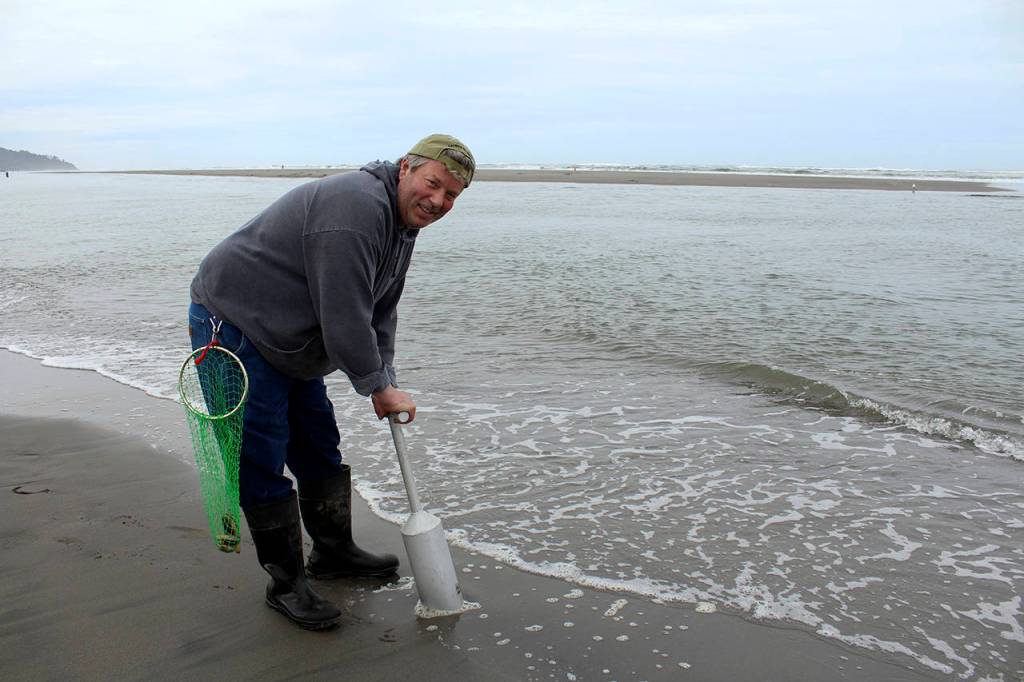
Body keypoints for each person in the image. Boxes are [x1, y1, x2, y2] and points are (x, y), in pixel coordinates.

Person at [188, 134, 474, 630]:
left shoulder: (400, 222)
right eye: (433, 184)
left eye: (452, 195)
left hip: (292, 335)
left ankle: (333, 551)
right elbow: (344, 314)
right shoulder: (356, 208)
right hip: (235, 324)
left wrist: (384, 377)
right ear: (406, 167)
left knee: (317, 440)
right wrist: (375, 386)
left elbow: (380, 310)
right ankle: (286, 585)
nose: (439, 201)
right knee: (260, 452)